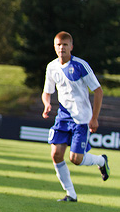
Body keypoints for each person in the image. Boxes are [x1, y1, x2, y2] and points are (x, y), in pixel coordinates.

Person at [42, 31, 110, 202]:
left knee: (76, 159)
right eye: (58, 45)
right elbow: (46, 91)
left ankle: (101, 161)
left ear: (71, 47)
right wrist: (47, 103)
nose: (62, 48)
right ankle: (70, 194)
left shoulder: (80, 66)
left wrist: (94, 118)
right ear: (54, 47)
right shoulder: (52, 67)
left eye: (65, 45)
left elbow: (98, 91)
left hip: (82, 120)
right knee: (56, 154)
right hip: (63, 117)